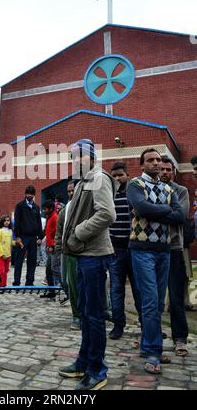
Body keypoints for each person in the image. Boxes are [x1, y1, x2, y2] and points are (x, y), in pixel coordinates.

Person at [58, 139, 116, 391]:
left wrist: (78, 233)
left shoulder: (98, 178)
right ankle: (83, 361)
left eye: (80, 156)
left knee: (94, 315)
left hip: (93, 255)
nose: (75, 161)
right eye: (73, 157)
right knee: (85, 312)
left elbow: (107, 214)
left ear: (91, 158)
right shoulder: (84, 181)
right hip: (83, 256)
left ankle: (97, 370)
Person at [126, 148, 184, 375]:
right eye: (150, 160)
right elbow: (141, 208)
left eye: (158, 160)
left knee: (159, 302)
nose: (156, 163)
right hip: (142, 250)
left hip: (164, 250)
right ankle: (153, 351)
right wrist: (166, 210)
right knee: (150, 301)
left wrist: (156, 212)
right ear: (142, 165)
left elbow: (179, 217)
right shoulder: (135, 185)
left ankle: (147, 346)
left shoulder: (168, 188)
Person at [159, 156, 190, 356]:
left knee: (176, 297)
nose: (164, 172)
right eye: (161, 169)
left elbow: (181, 215)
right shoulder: (148, 189)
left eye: (168, 169)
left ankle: (180, 338)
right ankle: (151, 336)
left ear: (174, 172)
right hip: (152, 248)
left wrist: (154, 212)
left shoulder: (181, 191)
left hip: (174, 248)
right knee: (152, 297)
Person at [108, 163, 142, 340]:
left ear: (127, 175)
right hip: (116, 250)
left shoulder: (134, 194)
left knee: (139, 289)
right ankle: (118, 325)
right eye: (113, 176)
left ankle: (147, 325)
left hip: (135, 249)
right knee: (116, 289)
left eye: (120, 175)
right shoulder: (108, 195)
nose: (117, 178)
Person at [55, 180, 82, 329]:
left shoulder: (84, 206)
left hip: (82, 251)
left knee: (79, 284)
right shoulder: (64, 210)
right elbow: (59, 231)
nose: (71, 193)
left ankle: (77, 315)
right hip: (66, 251)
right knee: (66, 282)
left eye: (73, 190)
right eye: (69, 191)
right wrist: (59, 249)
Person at [13, 186, 44, 286]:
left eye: (32, 194)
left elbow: (38, 223)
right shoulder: (20, 206)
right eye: (28, 193)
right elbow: (17, 222)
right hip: (22, 237)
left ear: (34, 195)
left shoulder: (36, 207)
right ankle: (16, 281)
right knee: (19, 260)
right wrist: (17, 236)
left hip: (33, 238)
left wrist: (40, 237)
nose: (30, 195)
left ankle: (29, 282)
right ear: (25, 194)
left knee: (32, 260)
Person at [40, 200, 59, 300]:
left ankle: (65, 289)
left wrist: (52, 245)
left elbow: (57, 233)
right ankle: (52, 291)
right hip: (49, 247)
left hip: (54, 248)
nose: (44, 211)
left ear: (51, 209)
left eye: (45, 209)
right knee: (48, 270)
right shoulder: (49, 217)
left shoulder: (55, 217)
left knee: (55, 269)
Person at [0, 215, 23, 287]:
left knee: (6, 271)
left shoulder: (10, 231)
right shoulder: (0, 231)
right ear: (2, 222)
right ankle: (0, 285)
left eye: (8, 220)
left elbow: (11, 242)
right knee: (1, 271)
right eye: (5, 220)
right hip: (1, 255)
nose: (6, 222)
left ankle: (4, 285)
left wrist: (17, 243)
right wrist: (2, 254)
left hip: (8, 255)